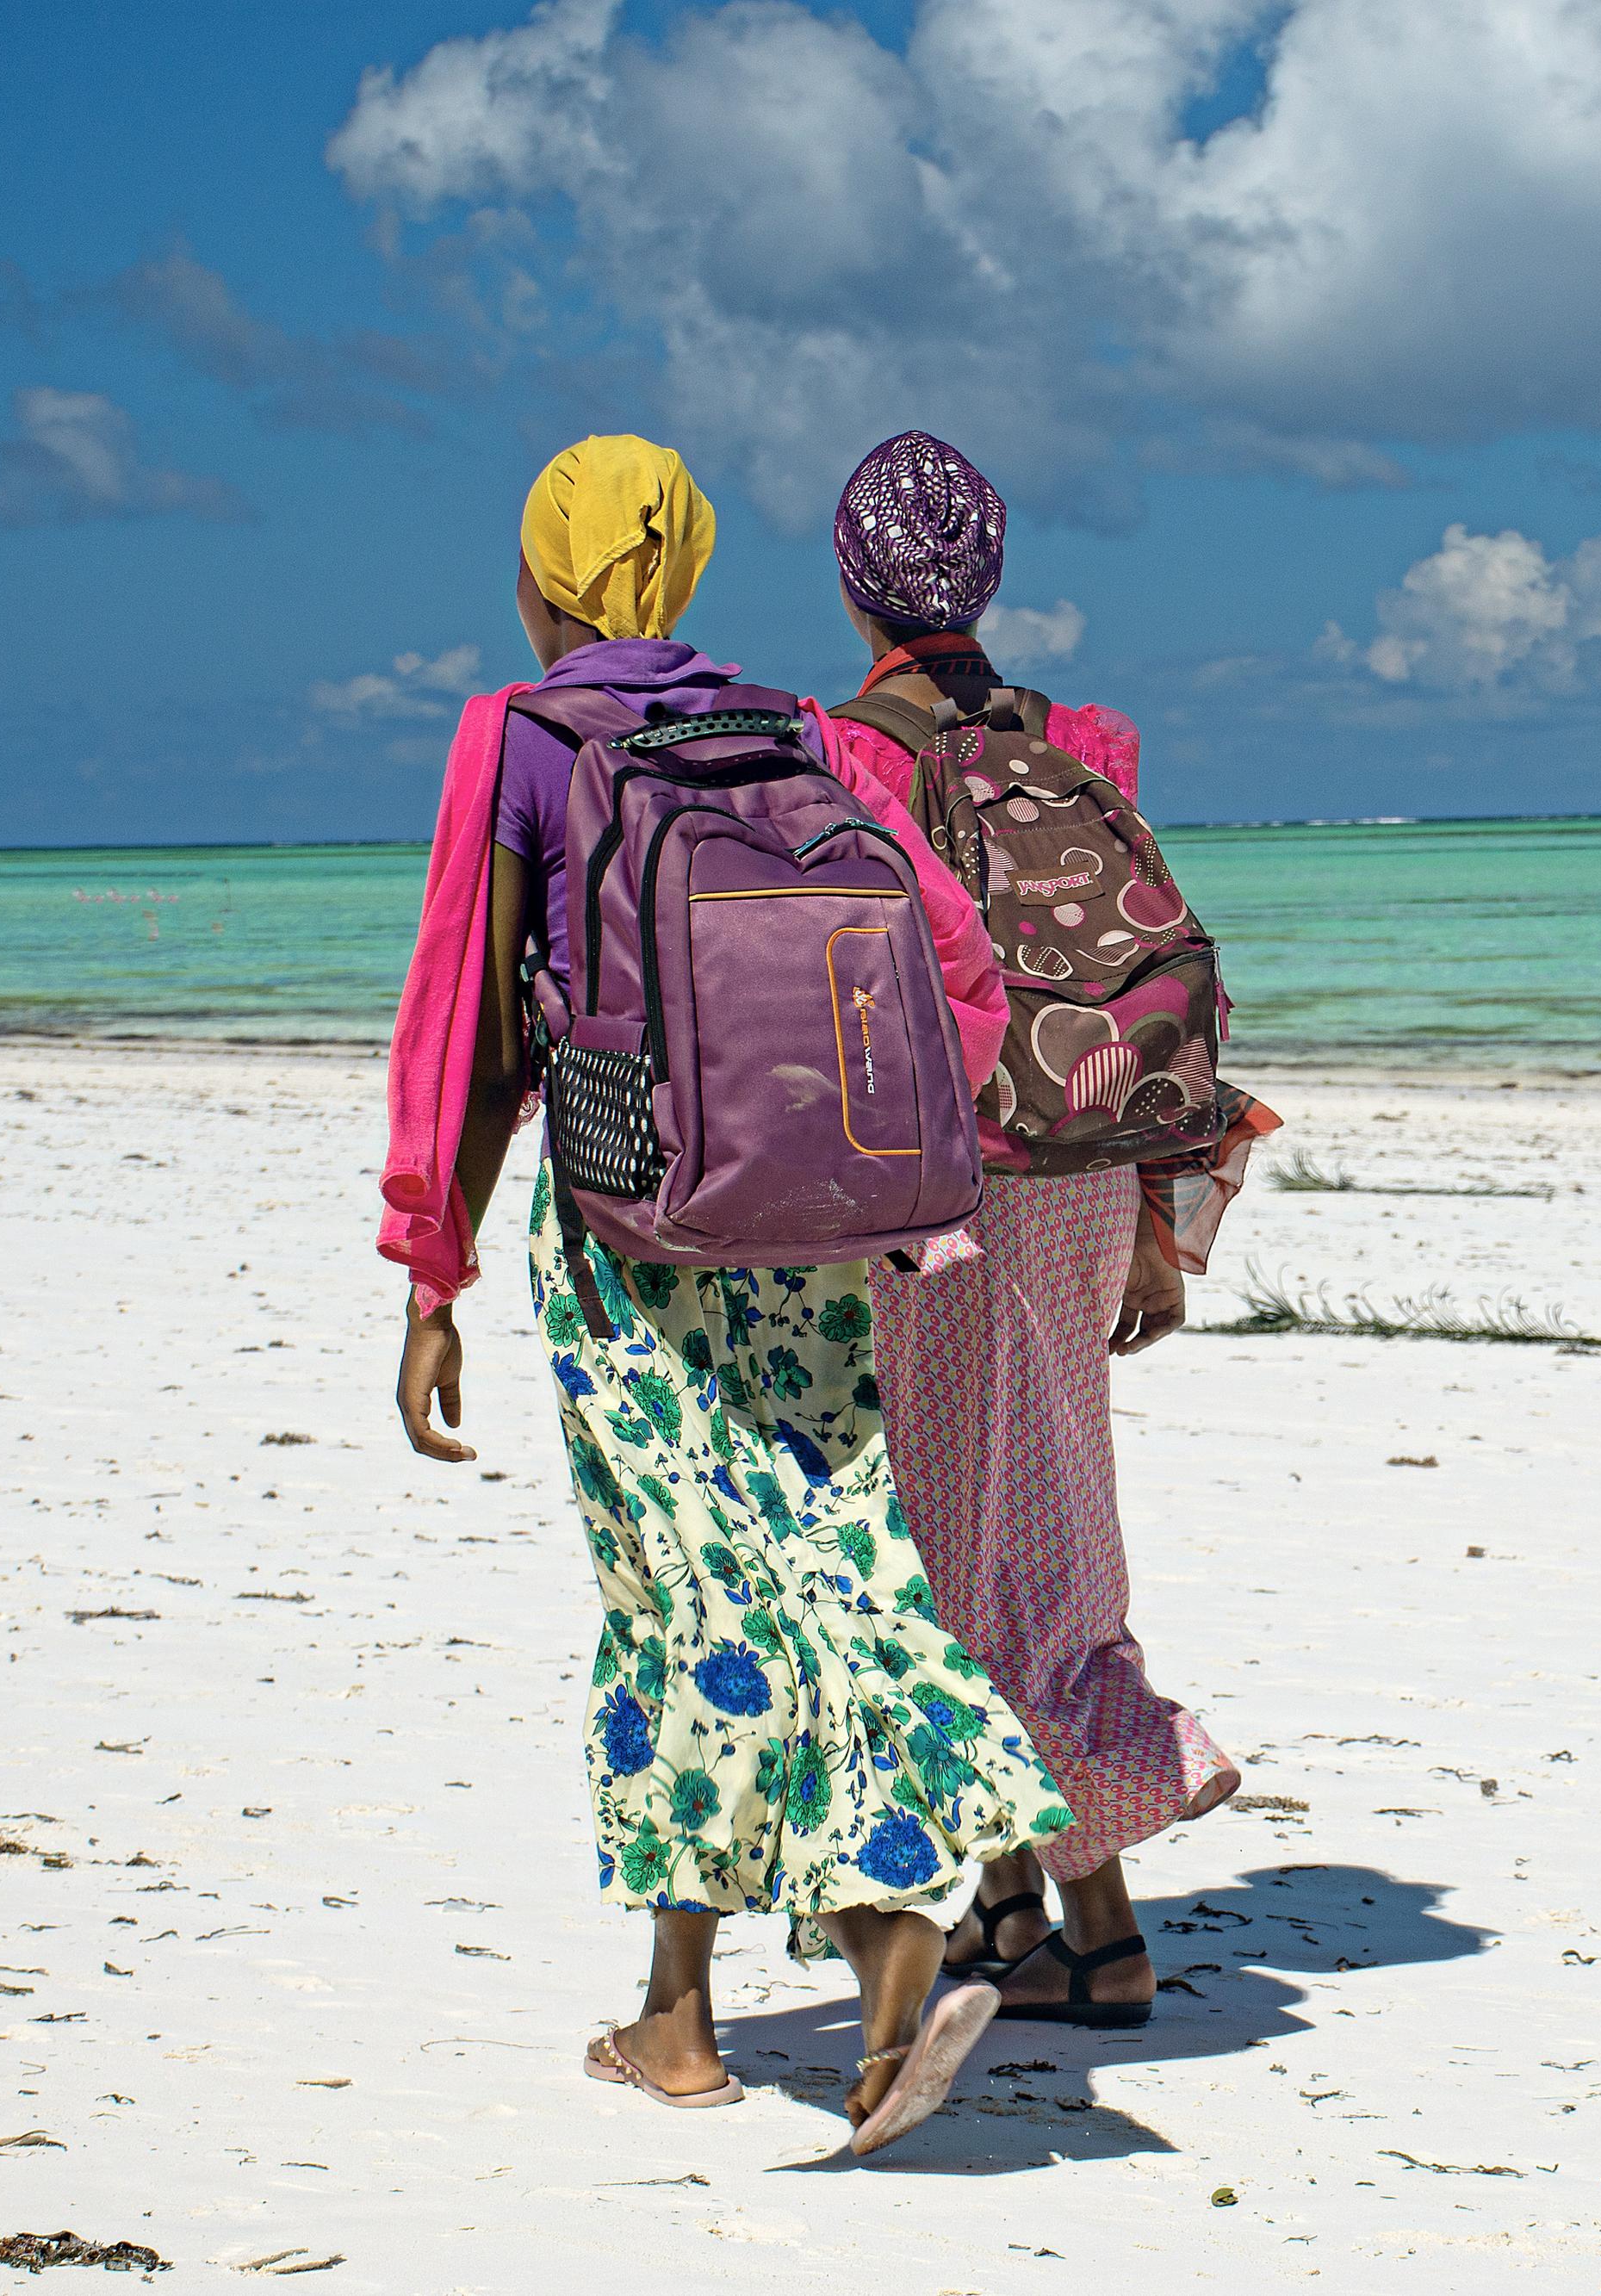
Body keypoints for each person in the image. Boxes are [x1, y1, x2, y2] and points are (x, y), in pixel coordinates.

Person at [378, 434, 1070, 2156]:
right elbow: (950, 971)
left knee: (675, 1589)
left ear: (544, 577)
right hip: (810, 1223)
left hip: (627, 1229)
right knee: (842, 1550)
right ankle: (811, 1945)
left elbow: (463, 1022)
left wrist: (430, 1267)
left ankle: (767, 1981)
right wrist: (915, 1172)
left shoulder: (521, 736)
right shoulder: (799, 734)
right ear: (681, 567)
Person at [814, 431, 1244, 2028]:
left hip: (922, 1188)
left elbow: (845, 1005)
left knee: (939, 1537)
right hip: (1077, 1174)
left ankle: (1104, 1920)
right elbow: (1121, 999)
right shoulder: (1087, 739)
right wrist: (1153, 1218)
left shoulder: (835, 754)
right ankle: (1021, 1906)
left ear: (856, 586)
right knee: (1053, 1507)